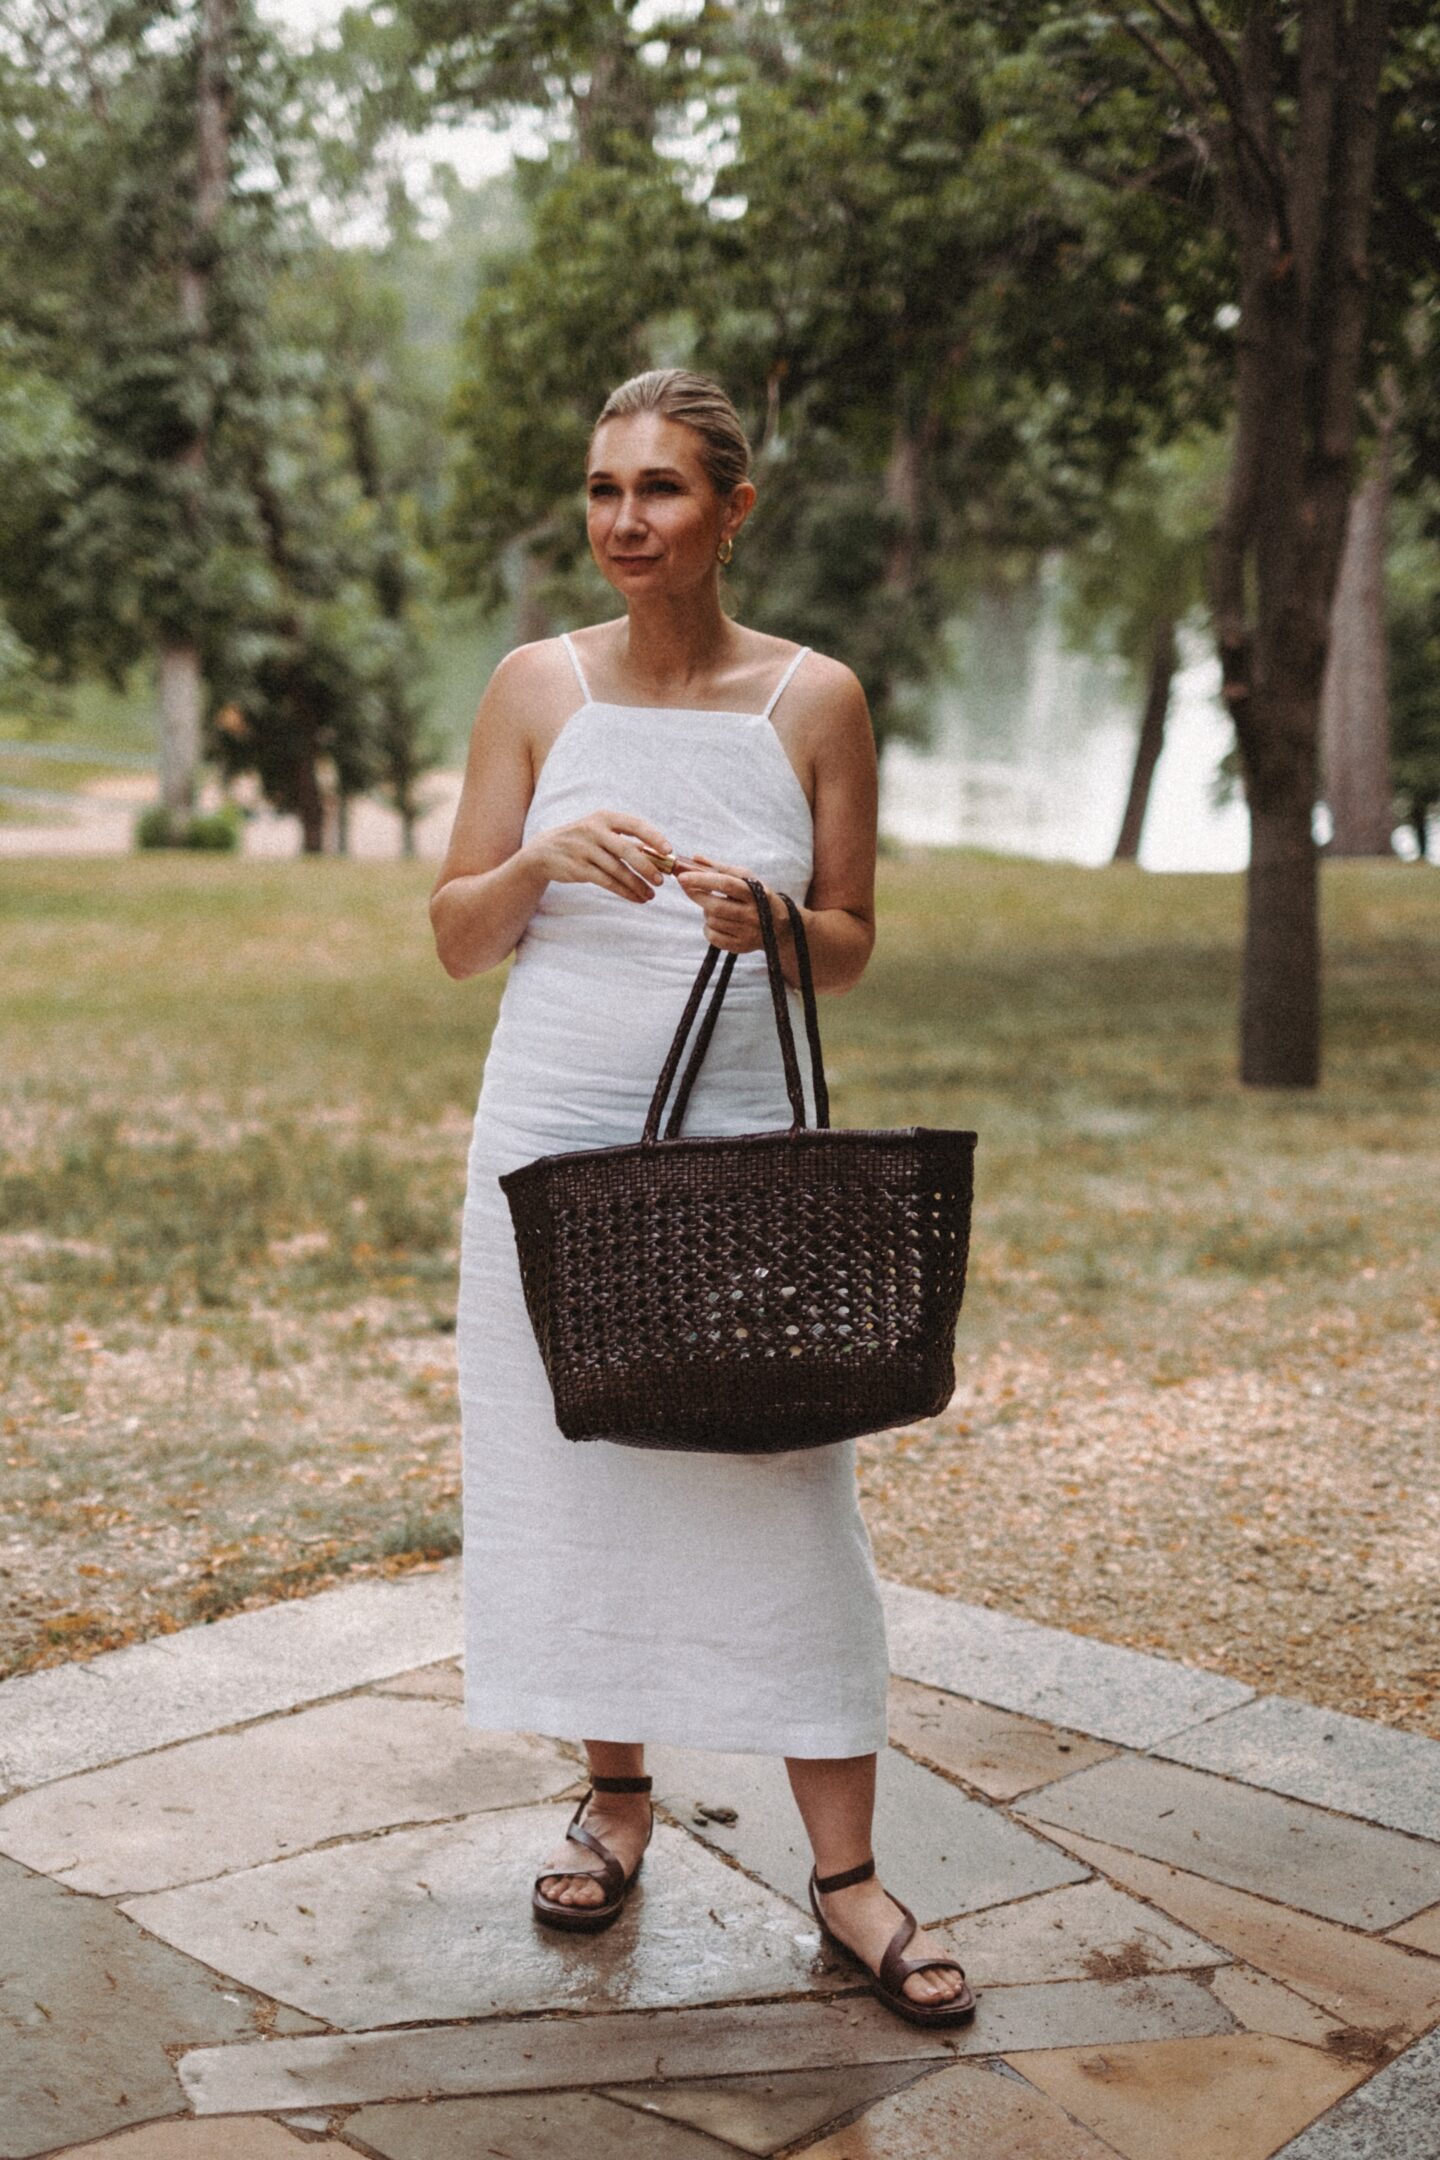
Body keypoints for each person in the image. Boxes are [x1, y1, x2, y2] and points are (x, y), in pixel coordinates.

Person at [429, 368, 974, 2026]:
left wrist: (780, 928)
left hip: (743, 1145)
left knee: (782, 1474)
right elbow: (457, 934)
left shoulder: (816, 700)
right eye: (603, 491)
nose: (623, 524)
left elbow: (860, 947)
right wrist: (540, 865)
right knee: (580, 1460)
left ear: (736, 508)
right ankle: (615, 1795)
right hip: (550, 1125)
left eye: (660, 490)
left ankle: (850, 1879)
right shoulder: (535, 687)